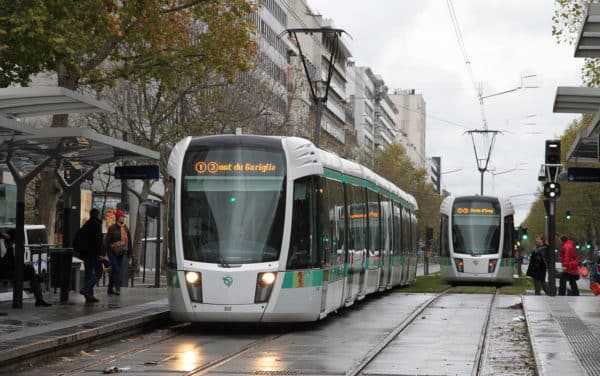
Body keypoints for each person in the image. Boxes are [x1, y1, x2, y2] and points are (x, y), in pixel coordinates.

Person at [0, 229, 51, 306]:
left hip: (8, 271)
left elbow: (11, 263)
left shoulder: (7, 247)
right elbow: (11, 264)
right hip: (7, 272)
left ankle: (39, 296)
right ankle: (39, 298)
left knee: (31, 271)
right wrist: (24, 265)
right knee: (31, 271)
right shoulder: (7, 248)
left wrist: (24, 264)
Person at [75, 208, 104, 303]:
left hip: (85, 254)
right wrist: (101, 254)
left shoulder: (86, 225)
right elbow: (98, 241)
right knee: (99, 272)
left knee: (88, 274)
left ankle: (89, 296)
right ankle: (86, 289)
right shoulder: (96, 225)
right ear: (97, 215)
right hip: (94, 254)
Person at [104, 210, 131, 296]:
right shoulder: (112, 228)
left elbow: (129, 242)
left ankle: (110, 288)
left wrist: (130, 254)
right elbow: (107, 240)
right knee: (116, 269)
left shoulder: (126, 228)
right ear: (117, 218)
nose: (122, 218)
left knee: (115, 270)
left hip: (121, 252)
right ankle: (118, 287)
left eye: (123, 217)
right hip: (112, 251)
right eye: (121, 217)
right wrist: (103, 252)